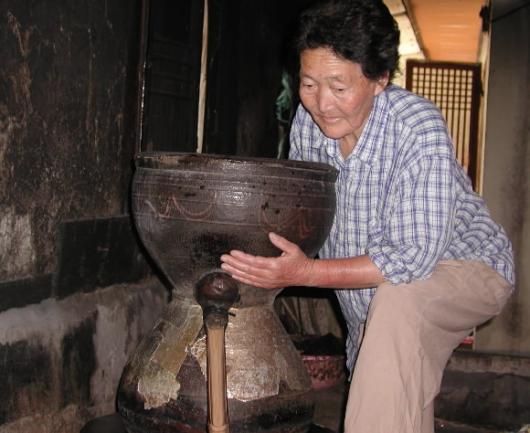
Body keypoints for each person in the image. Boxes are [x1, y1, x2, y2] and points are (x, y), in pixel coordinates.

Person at [220, 0, 515, 431]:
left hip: (468, 266)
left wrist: (306, 272)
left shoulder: (416, 126)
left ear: (379, 79)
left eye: (339, 87)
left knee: (397, 305)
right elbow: (304, 216)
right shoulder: (307, 123)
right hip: (378, 294)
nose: (322, 103)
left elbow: (411, 259)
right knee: (391, 392)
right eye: (308, 84)